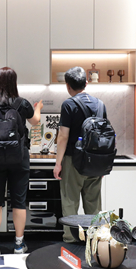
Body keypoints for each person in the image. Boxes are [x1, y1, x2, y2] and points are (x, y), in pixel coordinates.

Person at [0, 67, 43, 255]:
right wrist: (38, 108)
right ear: (14, 83)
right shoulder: (22, 104)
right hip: (19, 158)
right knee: (19, 201)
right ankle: (19, 244)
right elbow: (35, 121)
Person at [53, 66, 108, 242]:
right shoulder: (100, 104)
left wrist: (58, 163)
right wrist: (103, 164)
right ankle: (95, 241)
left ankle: (71, 240)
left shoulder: (69, 105)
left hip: (73, 161)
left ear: (67, 85)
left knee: (70, 201)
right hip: (96, 161)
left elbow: (63, 136)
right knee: (94, 204)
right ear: (86, 83)